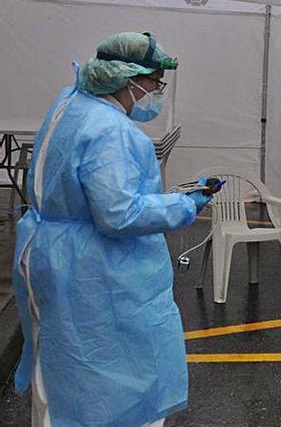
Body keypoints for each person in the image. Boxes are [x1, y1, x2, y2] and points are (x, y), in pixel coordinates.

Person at [12, 32, 212, 426]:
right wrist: (182, 205)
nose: (156, 94)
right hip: (96, 274)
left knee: (59, 375)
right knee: (112, 384)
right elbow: (118, 214)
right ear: (129, 80)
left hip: (56, 255)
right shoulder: (110, 130)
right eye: (155, 84)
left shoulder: (70, 104)